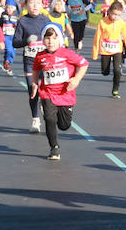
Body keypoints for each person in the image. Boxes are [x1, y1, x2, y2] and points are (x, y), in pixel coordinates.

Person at [32, 23, 89, 160]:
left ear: (60, 40)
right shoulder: (40, 56)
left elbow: (84, 64)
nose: (50, 42)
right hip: (48, 93)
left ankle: (64, 114)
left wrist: (76, 79)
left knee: (64, 125)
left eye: (54, 38)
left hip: (65, 94)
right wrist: (34, 83)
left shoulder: (67, 54)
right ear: (43, 40)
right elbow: (35, 70)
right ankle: (54, 148)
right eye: (47, 38)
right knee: (49, 119)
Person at [11, 0, 54, 132]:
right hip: (30, 62)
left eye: (38, 2)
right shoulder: (22, 21)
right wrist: (27, 41)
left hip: (45, 62)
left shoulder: (46, 20)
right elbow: (15, 43)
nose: (35, 5)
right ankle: (35, 119)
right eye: (31, 2)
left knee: (46, 89)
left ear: (42, 4)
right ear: (26, 5)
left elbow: (53, 38)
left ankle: (45, 106)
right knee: (32, 91)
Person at [92, 0, 126, 99]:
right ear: (109, 12)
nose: (116, 17)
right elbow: (97, 37)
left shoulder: (121, 23)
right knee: (105, 72)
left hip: (117, 49)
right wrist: (95, 52)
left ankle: (115, 89)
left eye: (118, 15)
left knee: (117, 70)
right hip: (105, 50)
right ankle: (105, 70)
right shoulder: (103, 22)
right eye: (114, 14)